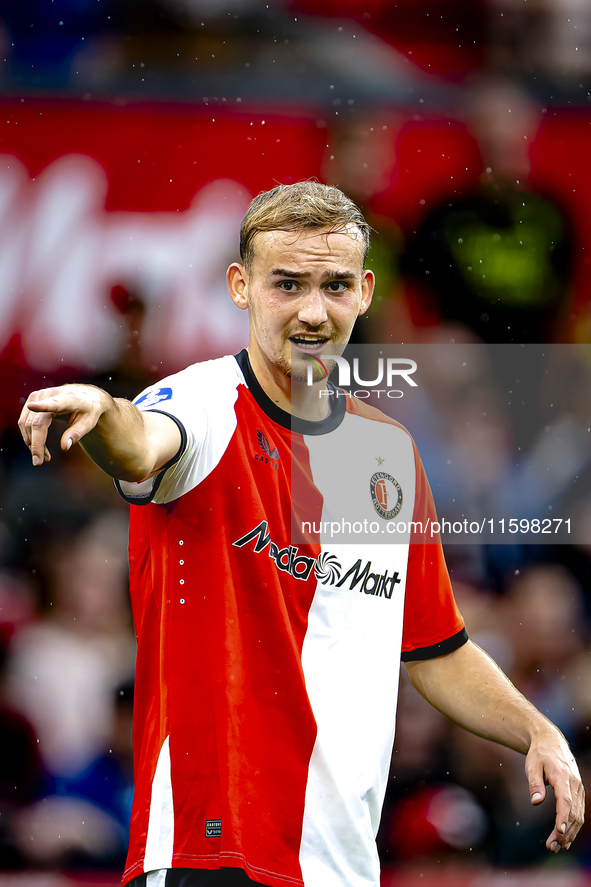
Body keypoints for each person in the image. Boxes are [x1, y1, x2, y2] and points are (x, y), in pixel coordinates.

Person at [19, 182, 583, 887]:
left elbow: (435, 646)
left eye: (334, 285)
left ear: (366, 291)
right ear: (240, 286)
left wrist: (537, 729)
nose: (313, 311)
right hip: (213, 855)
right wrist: (101, 409)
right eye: (287, 284)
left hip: (340, 865)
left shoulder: (385, 452)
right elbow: (140, 441)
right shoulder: (201, 401)